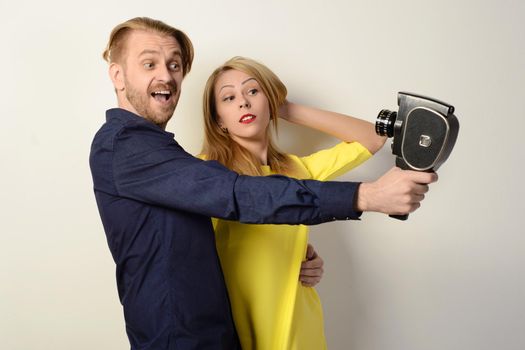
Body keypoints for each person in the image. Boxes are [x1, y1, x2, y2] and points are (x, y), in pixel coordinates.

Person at [89, 17, 437, 350]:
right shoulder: (127, 146)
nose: (166, 75)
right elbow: (238, 194)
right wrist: (366, 195)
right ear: (117, 75)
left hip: (222, 336)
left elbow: (198, 243)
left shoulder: (165, 152)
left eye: (175, 65)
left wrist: (291, 257)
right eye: (149, 64)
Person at [199, 56, 386, 349]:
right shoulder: (204, 173)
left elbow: (373, 137)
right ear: (218, 120)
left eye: (253, 91)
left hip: (300, 327)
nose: (243, 103)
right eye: (229, 97)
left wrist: (284, 108)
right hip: (239, 327)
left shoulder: (299, 170)